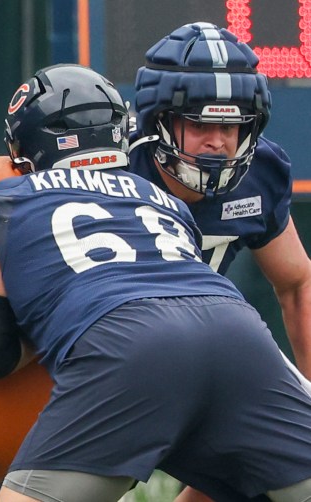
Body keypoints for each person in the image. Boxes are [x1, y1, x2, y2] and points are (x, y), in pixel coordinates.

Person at [0, 63, 311, 501]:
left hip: (125, 345)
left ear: (22, 146)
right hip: (242, 334)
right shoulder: (165, 200)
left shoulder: (7, 200)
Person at [130, 21, 311, 379]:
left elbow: (296, 284)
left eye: (228, 127)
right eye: (199, 125)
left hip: (202, 352)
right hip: (118, 350)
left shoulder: (261, 173)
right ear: (161, 122)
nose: (217, 143)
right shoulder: (117, 166)